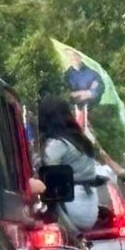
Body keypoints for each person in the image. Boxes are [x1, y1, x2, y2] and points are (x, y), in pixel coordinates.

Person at [38, 97, 101, 231]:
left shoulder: (58, 144)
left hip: (71, 209)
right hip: (90, 206)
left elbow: (48, 179)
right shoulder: (81, 141)